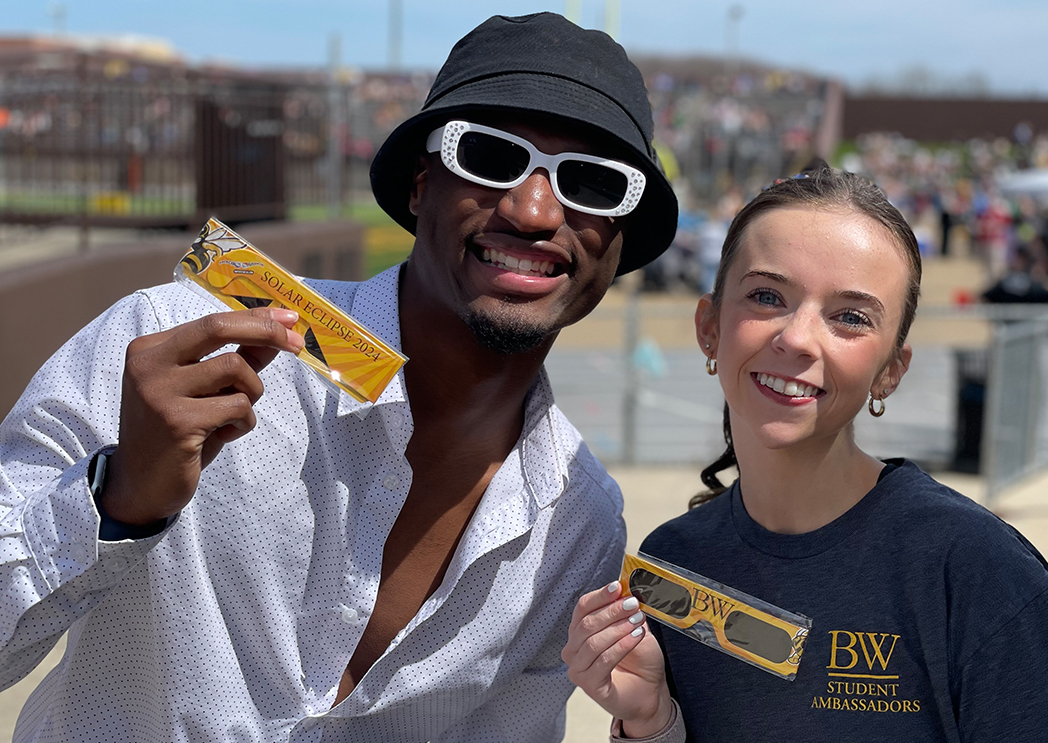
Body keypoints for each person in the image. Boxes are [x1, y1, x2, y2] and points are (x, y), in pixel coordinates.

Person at [0, 13, 677, 742]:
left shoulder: (577, 523)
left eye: (593, 183)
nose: (533, 208)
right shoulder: (174, 341)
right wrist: (118, 499)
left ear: (619, 242)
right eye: (489, 156)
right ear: (421, 186)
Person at [564, 166, 1048, 742]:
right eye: (768, 296)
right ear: (710, 326)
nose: (796, 338)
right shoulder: (673, 567)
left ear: (890, 372)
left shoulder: (967, 567)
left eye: (849, 317)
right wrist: (650, 724)